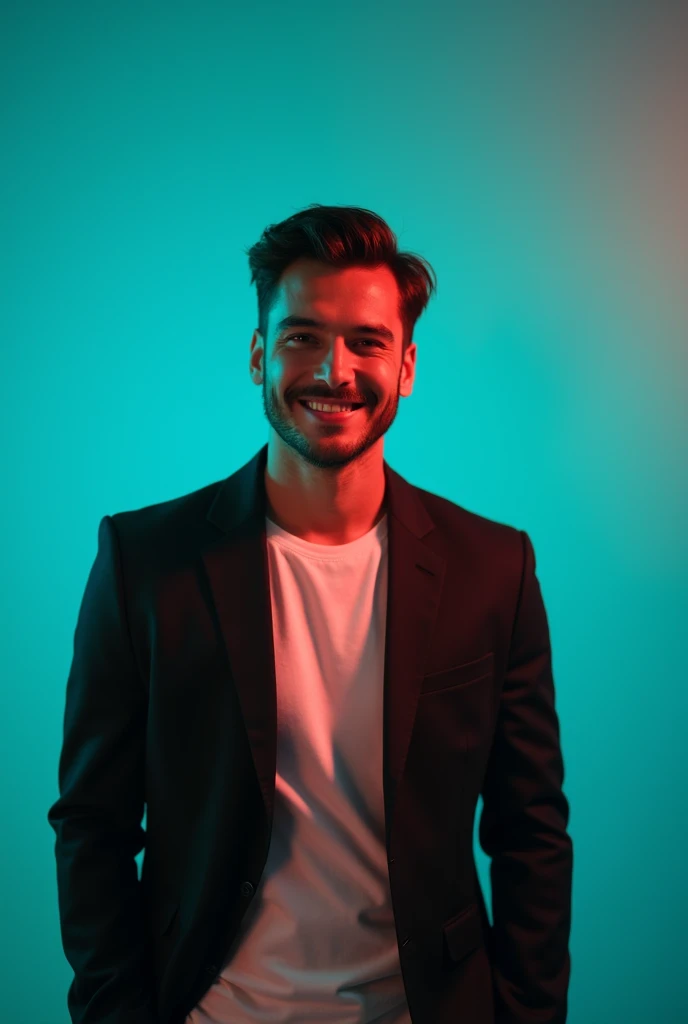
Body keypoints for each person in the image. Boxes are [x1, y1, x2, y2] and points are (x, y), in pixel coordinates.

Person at [48, 204, 573, 1024]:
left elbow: (531, 829)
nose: (334, 370)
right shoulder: (145, 563)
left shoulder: (494, 569)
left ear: (406, 367)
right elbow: (93, 823)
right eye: (301, 337)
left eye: (366, 341)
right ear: (260, 356)